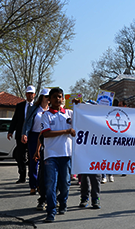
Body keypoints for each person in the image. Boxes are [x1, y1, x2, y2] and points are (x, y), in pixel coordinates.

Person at [41, 88, 75, 223]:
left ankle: (63, 202)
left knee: (65, 184)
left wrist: (78, 106)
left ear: (63, 98)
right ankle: (51, 210)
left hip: (66, 154)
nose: (57, 99)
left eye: (59, 97)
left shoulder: (70, 113)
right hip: (51, 154)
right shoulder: (46, 115)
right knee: (50, 184)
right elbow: (46, 133)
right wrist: (66, 131)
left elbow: (85, 118)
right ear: (49, 99)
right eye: (54, 97)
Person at [23, 88, 50, 195]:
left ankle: (41, 184)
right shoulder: (34, 109)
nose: (48, 99)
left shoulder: (51, 110)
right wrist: (24, 133)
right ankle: (33, 185)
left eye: (49, 97)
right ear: (42, 97)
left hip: (47, 136)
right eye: (47, 96)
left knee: (45, 162)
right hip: (34, 136)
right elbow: (27, 122)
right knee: (34, 161)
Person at [8, 85, 36, 183]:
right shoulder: (20, 106)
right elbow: (15, 119)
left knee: (32, 156)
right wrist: (10, 131)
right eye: (28, 93)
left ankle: (32, 176)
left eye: (31, 93)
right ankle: (22, 176)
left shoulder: (37, 106)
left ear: (34, 94)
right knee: (20, 156)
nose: (30, 95)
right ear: (26, 94)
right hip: (20, 134)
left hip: (32, 134)